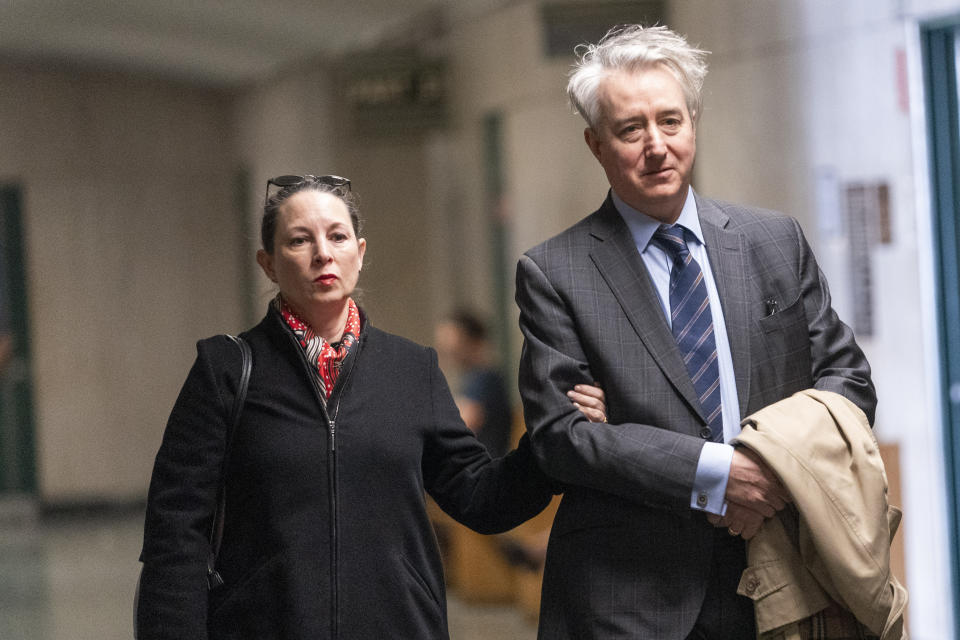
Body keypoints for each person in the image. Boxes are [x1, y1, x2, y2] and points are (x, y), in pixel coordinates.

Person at [514, 25, 876, 640]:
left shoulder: (772, 241)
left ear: (694, 124)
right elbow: (562, 439)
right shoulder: (556, 272)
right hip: (630, 599)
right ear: (596, 144)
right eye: (631, 129)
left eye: (671, 121)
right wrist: (714, 474)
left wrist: (768, 469)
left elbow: (848, 383)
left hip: (787, 572)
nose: (657, 145)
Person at [136, 174, 605, 640]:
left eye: (337, 237)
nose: (323, 253)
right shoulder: (226, 370)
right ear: (269, 264)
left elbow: (480, 497)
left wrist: (551, 441)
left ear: (359, 254)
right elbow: (175, 532)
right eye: (300, 240)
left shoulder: (410, 369)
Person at [433, 310, 513, 457]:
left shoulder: (485, 378)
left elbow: (460, 424)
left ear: (473, 341)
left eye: (455, 344)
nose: (449, 350)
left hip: (486, 466)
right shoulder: (473, 379)